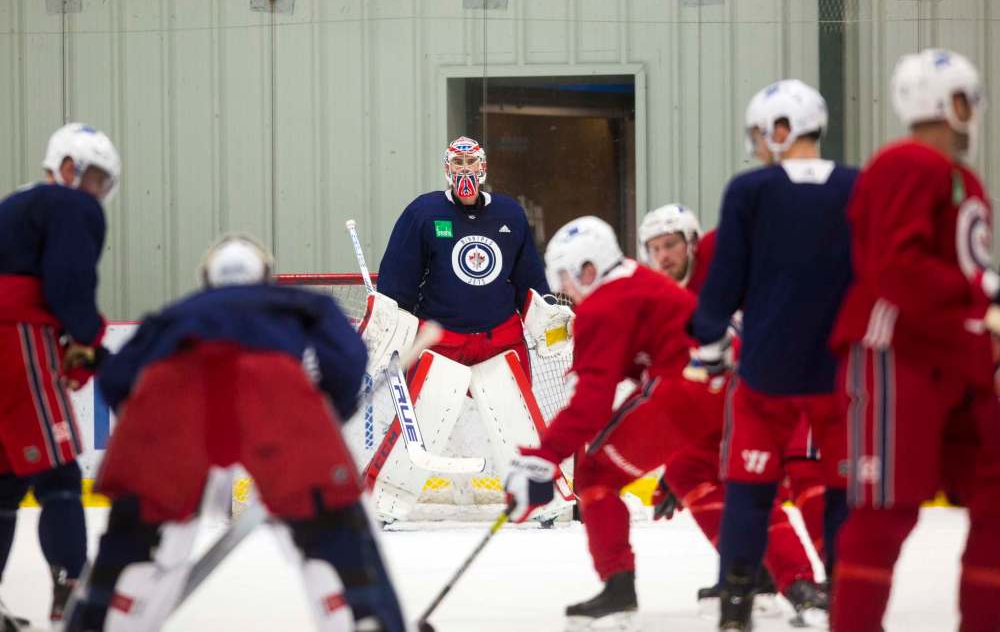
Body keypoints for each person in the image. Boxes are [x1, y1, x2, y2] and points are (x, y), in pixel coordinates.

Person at [64, 235, 407, 632]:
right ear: (264, 275)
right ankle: (368, 617)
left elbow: (118, 378)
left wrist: (154, 434)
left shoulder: (177, 313)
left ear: (208, 279)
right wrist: (329, 410)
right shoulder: (296, 303)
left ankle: (99, 615)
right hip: (272, 389)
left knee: (131, 541)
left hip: (173, 392)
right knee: (336, 532)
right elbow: (348, 358)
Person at [829, 48, 1000, 632]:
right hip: (894, 354)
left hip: (958, 360)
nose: (973, 113)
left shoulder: (962, 178)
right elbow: (893, 268)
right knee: (886, 511)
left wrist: (983, 315)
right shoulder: (904, 164)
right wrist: (976, 295)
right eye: (966, 100)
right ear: (944, 102)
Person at [686, 79, 857, 630]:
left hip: (767, 373)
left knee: (750, 492)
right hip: (842, 374)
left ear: (782, 130)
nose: (759, 145)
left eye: (762, 134)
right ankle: (849, 598)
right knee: (838, 493)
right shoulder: (859, 187)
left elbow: (723, 281)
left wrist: (708, 338)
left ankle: (736, 606)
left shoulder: (751, 190)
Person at [503, 215, 707, 628]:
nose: (563, 288)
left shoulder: (604, 303)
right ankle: (768, 578)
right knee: (707, 476)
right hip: (728, 387)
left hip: (684, 388)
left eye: (565, 276)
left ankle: (618, 588)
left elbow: (591, 405)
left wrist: (544, 458)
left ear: (589, 268)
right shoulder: (633, 278)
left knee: (595, 471)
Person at [639, 204, 827, 624]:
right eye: (654, 248)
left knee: (773, 480)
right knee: (691, 472)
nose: (663, 256)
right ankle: (753, 572)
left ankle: (812, 582)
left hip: (794, 388)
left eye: (671, 245)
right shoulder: (666, 303)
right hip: (738, 405)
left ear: (690, 243)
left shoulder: (721, 255)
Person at [0, 124, 120, 627]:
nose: (96, 192)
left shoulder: (18, 204)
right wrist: (88, 338)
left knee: (5, 484)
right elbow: (68, 281)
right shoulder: (70, 205)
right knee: (60, 474)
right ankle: (74, 591)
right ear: (67, 166)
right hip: (17, 337)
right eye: (93, 177)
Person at [377, 135, 550, 377]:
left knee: (512, 414)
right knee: (430, 414)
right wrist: (391, 325)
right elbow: (399, 277)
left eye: (472, 161)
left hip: (500, 338)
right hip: (438, 339)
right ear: (447, 168)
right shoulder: (423, 212)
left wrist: (548, 315)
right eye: (458, 161)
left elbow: (529, 278)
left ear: (483, 166)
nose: (466, 167)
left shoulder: (509, 213)